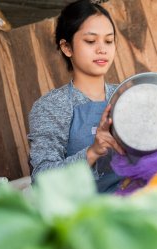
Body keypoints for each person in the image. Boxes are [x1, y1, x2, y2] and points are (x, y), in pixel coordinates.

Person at [28, 0, 125, 193]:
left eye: (108, 40)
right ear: (67, 47)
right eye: (90, 41)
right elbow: (42, 179)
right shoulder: (51, 106)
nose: (102, 49)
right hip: (85, 216)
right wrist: (93, 151)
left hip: (139, 204)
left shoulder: (127, 96)